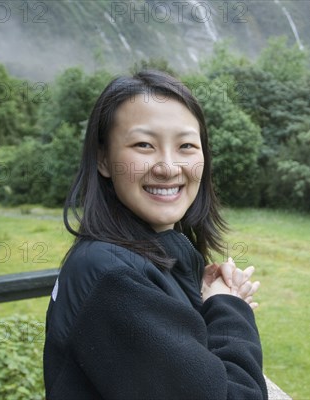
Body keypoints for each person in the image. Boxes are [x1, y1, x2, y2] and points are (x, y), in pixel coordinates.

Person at [43, 70, 268, 399]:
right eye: (144, 144)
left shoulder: (142, 256)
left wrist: (198, 293)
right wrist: (228, 307)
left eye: (186, 146)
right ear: (103, 159)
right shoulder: (112, 277)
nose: (168, 166)